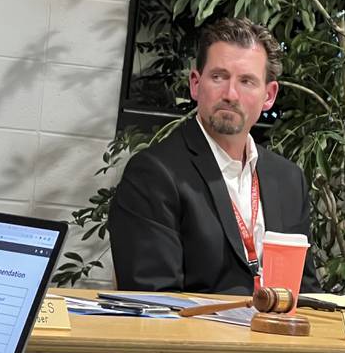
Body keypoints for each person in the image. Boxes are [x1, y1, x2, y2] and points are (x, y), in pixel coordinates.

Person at [109, 18, 320, 295]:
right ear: (196, 84)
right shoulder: (153, 174)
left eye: (246, 81)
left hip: (276, 337)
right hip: (197, 337)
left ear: (269, 96)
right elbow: (155, 302)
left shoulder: (289, 179)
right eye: (219, 77)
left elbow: (305, 293)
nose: (231, 94)